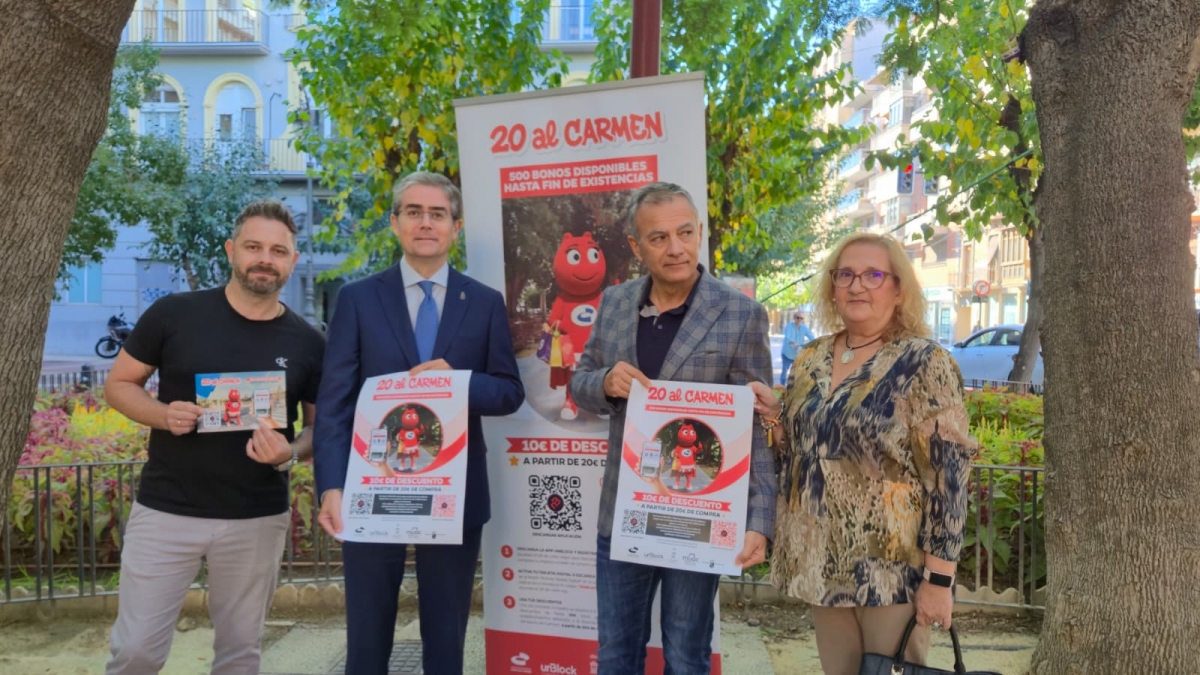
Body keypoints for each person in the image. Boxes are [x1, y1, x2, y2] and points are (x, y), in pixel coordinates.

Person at [313, 171, 524, 675]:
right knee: (366, 639)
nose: (425, 223)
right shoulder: (358, 299)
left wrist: (459, 383)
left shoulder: (484, 302)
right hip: (372, 489)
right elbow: (335, 402)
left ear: (455, 227)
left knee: (446, 638)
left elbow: (508, 392)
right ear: (395, 223)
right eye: (413, 212)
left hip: (454, 492)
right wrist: (331, 487)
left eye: (437, 214)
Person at [103, 200, 325, 675]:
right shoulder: (174, 313)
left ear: (293, 260)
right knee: (136, 653)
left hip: (256, 517)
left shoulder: (309, 342)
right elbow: (118, 385)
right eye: (253, 247)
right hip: (166, 511)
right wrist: (163, 415)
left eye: (278, 251)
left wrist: (289, 452)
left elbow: (319, 428)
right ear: (230, 250)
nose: (264, 259)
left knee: (240, 655)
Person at [570, 182, 776, 675]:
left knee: (686, 655)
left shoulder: (741, 314)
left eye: (685, 233)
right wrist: (606, 382)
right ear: (637, 246)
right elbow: (580, 383)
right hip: (624, 512)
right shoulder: (615, 302)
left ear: (700, 232)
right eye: (658, 238)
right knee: (616, 654)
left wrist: (759, 520)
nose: (676, 248)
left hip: (698, 518)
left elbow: (757, 424)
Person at [750, 232, 975, 675]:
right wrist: (776, 416)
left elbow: (948, 479)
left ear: (899, 289)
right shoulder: (810, 358)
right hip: (821, 566)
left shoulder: (923, 362)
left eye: (873, 275)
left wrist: (939, 580)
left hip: (891, 573)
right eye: (846, 275)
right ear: (832, 287)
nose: (857, 286)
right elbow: (803, 454)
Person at [781, 312, 815, 385]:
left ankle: (791, 389)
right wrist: (793, 343)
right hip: (787, 354)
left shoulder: (804, 328)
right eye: (797, 317)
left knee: (795, 374)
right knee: (784, 372)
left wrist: (816, 343)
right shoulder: (789, 326)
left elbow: (811, 337)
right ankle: (781, 387)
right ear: (794, 318)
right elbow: (787, 337)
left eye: (801, 318)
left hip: (797, 355)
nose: (799, 319)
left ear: (803, 319)